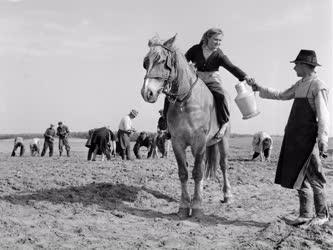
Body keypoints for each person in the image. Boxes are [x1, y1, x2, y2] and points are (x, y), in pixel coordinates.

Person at [249, 49, 330, 226]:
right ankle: (306, 214)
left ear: (306, 66)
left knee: (315, 177)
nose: (294, 69)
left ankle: (322, 215)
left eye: (296, 65)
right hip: (294, 138)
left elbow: (323, 115)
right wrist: (259, 88)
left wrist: (323, 140)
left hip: (308, 139)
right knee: (299, 176)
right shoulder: (300, 84)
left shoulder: (318, 85)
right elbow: (281, 95)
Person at [163, 28, 255, 139]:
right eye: (216, 39)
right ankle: (167, 126)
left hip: (212, 80)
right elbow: (183, 62)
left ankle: (224, 124)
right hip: (196, 80)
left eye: (220, 41)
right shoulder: (195, 49)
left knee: (221, 96)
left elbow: (232, 67)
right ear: (208, 38)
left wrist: (246, 77)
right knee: (171, 95)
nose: (218, 43)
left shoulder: (219, 55)